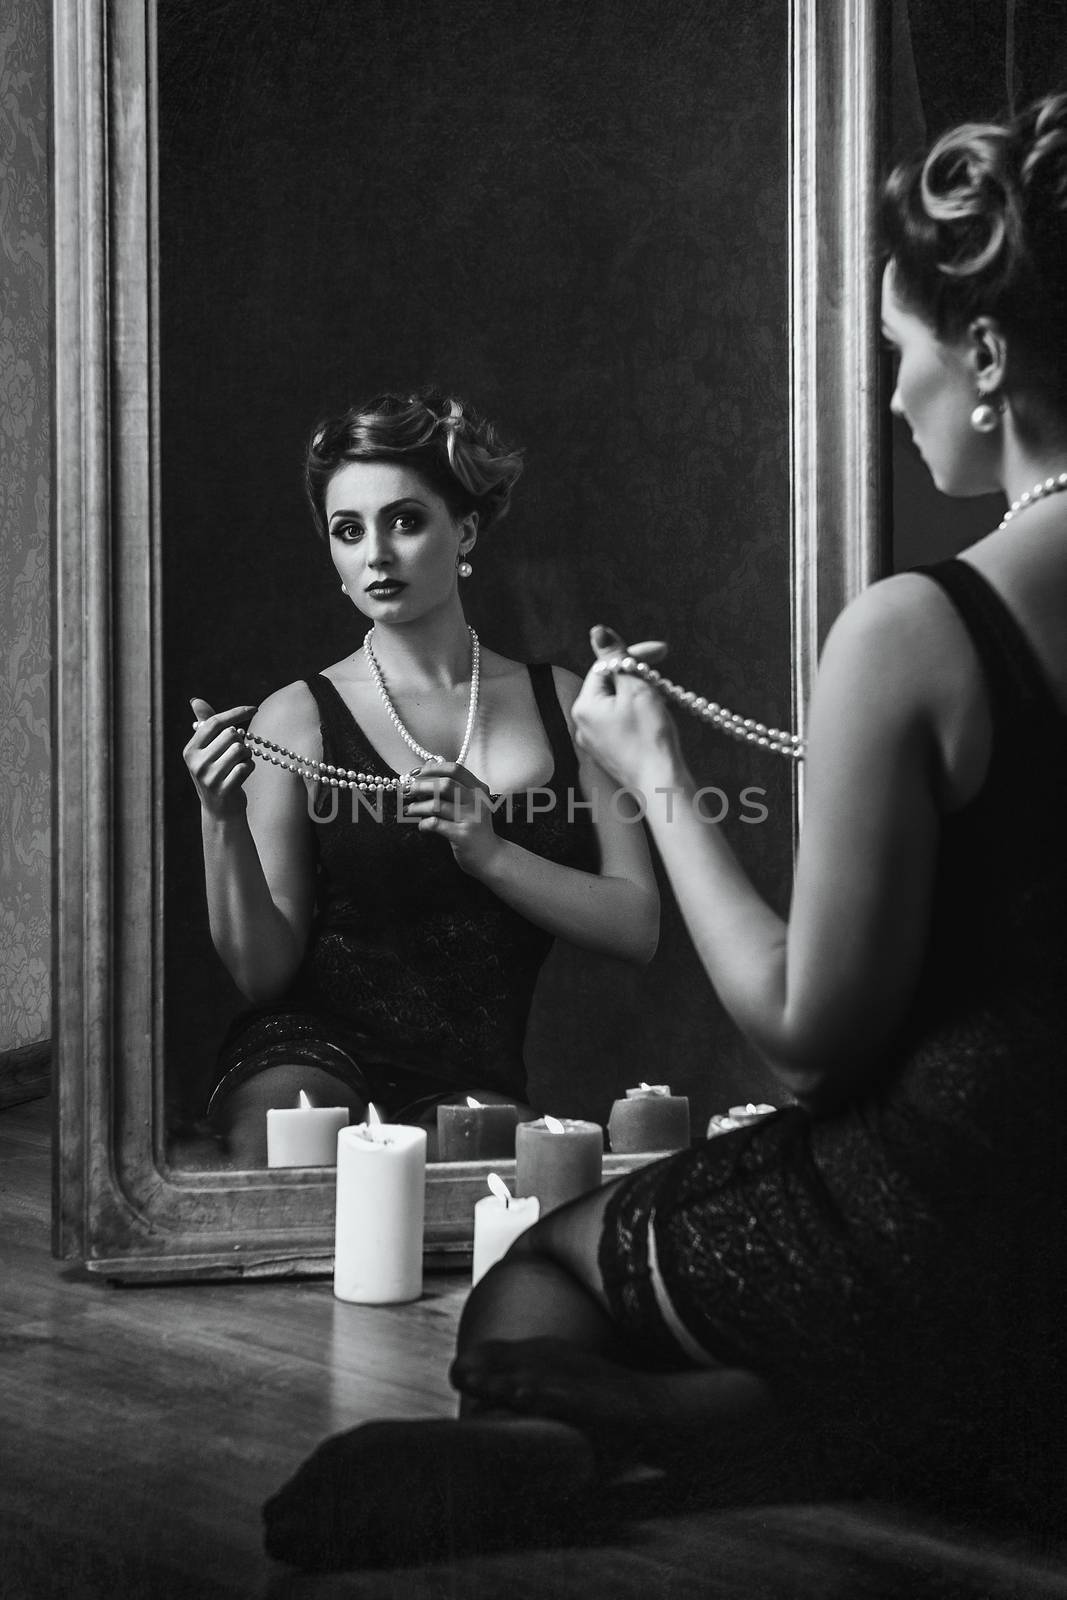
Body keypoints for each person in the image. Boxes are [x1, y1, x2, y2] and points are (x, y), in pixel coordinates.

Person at [262, 93, 1067, 1571]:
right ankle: (901, 1410)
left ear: (990, 356)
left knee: (527, 1302)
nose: (891, 398)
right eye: (346, 526)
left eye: (899, 354)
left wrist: (653, 771)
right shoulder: (299, 717)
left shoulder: (915, 629)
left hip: (972, 1206)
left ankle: (761, 1434)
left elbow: (802, 1039)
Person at [184, 390, 659, 1164]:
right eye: (347, 531)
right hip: (307, 1062)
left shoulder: (565, 701)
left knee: (492, 1208)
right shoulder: (297, 717)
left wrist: (492, 853)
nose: (375, 553)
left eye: (404, 521)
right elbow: (263, 976)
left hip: (472, 1081)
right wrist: (219, 819)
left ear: (464, 528)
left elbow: (635, 925)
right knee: (295, 1170)